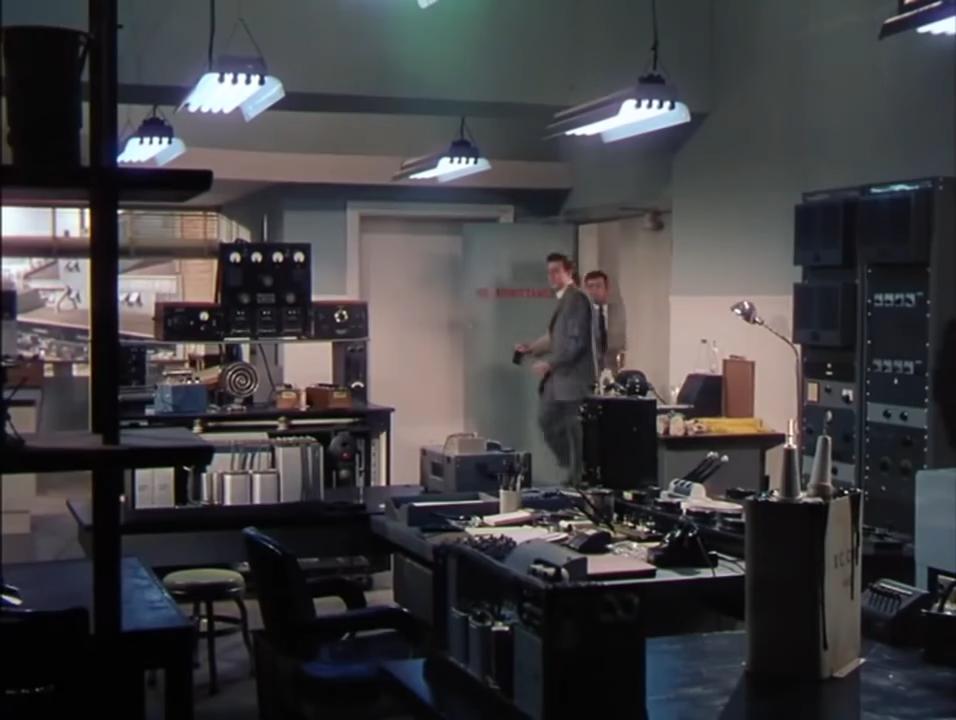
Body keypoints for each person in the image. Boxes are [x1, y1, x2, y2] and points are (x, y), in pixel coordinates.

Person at [517, 253, 596, 486]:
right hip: (560, 377)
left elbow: (576, 343)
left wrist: (551, 363)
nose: (551, 276)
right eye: (549, 272)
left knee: (572, 429)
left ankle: (577, 474)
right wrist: (531, 348)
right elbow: (555, 338)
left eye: (556, 271)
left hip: (573, 378)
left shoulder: (577, 300)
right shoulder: (565, 300)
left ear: (568, 272)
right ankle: (573, 468)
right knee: (548, 421)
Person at [584, 270, 626, 373]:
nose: (594, 290)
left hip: (612, 369)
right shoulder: (583, 314)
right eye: (590, 287)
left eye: (598, 286)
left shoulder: (616, 312)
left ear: (606, 288)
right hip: (589, 370)